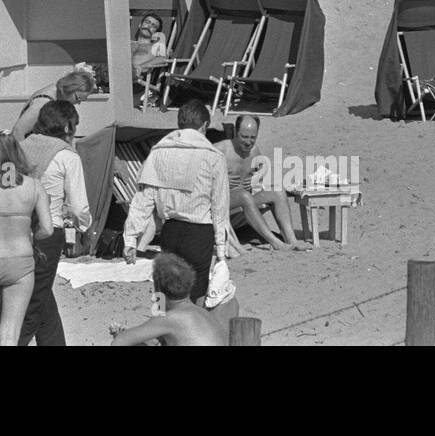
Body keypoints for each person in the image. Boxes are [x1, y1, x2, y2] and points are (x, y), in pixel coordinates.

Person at [123, 100, 236, 303]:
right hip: (199, 232)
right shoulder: (213, 156)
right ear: (204, 126)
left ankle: (159, 325)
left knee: (164, 288)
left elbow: (143, 200)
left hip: (170, 231)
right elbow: (219, 207)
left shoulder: (158, 152)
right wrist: (221, 250)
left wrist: (131, 239)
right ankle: (193, 331)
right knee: (197, 291)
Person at [12, 100, 90, 346]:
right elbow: (79, 207)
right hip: (46, 235)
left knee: (42, 300)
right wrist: (85, 229)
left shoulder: (19, 148)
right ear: (67, 127)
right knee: (33, 306)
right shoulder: (67, 156)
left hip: (13, 233)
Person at [0, 134, 53, 346]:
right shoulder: (34, 186)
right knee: (10, 332)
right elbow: (48, 229)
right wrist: (31, 235)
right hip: (20, 259)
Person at [222, 116, 309, 250]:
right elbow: (201, 179)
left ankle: (292, 241)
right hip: (223, 205)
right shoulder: (221, 150)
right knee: (244, 196)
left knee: (278, 191)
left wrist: (256, 179)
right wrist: (222, 179)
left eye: (252, 137)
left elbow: (262, 177)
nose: (248, 142)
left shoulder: (254, 151)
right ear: (235, 132)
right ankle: (276, 243)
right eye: (244, 136)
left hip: (245, 204)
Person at [110, 253, 229, 346]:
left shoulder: (171, 319)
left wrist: (123, 336)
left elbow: (120, 342)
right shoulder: (201, 313)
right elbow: (157, 341)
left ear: (158, 289)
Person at [14, 69, 96, 138]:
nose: (78, 103)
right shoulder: (43, 102)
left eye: (83, 100)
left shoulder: (56, 95)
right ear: (71, 89)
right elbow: (18, 131)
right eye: (79, 98)